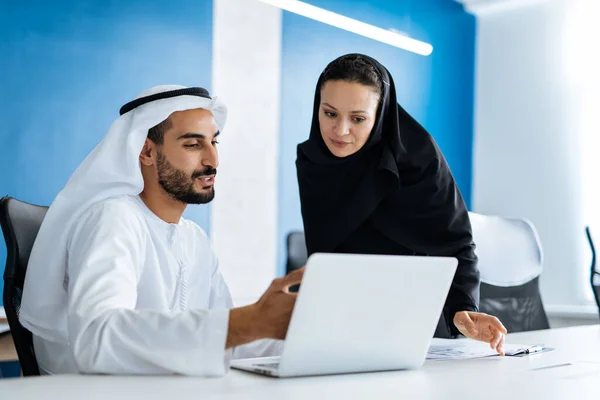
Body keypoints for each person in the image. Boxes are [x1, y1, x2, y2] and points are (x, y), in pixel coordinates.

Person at [20, 85, 303, 376]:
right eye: (193, 145)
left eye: (214, 143)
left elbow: (231, 342)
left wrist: (299, 335)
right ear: (146, 152)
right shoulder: (112, 219)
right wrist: (247, 322)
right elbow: (97, 338)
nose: (212, 161)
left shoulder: (194, 238)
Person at [296, 54, 507, 354]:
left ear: (380, 114)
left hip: (415, 323)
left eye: (357, 118)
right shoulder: (313, 161)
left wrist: (462, 308)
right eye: (330, 114)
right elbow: (325, 253)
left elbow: (456, 242)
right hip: (339, 320)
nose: (340, 131)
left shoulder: (420, 158)